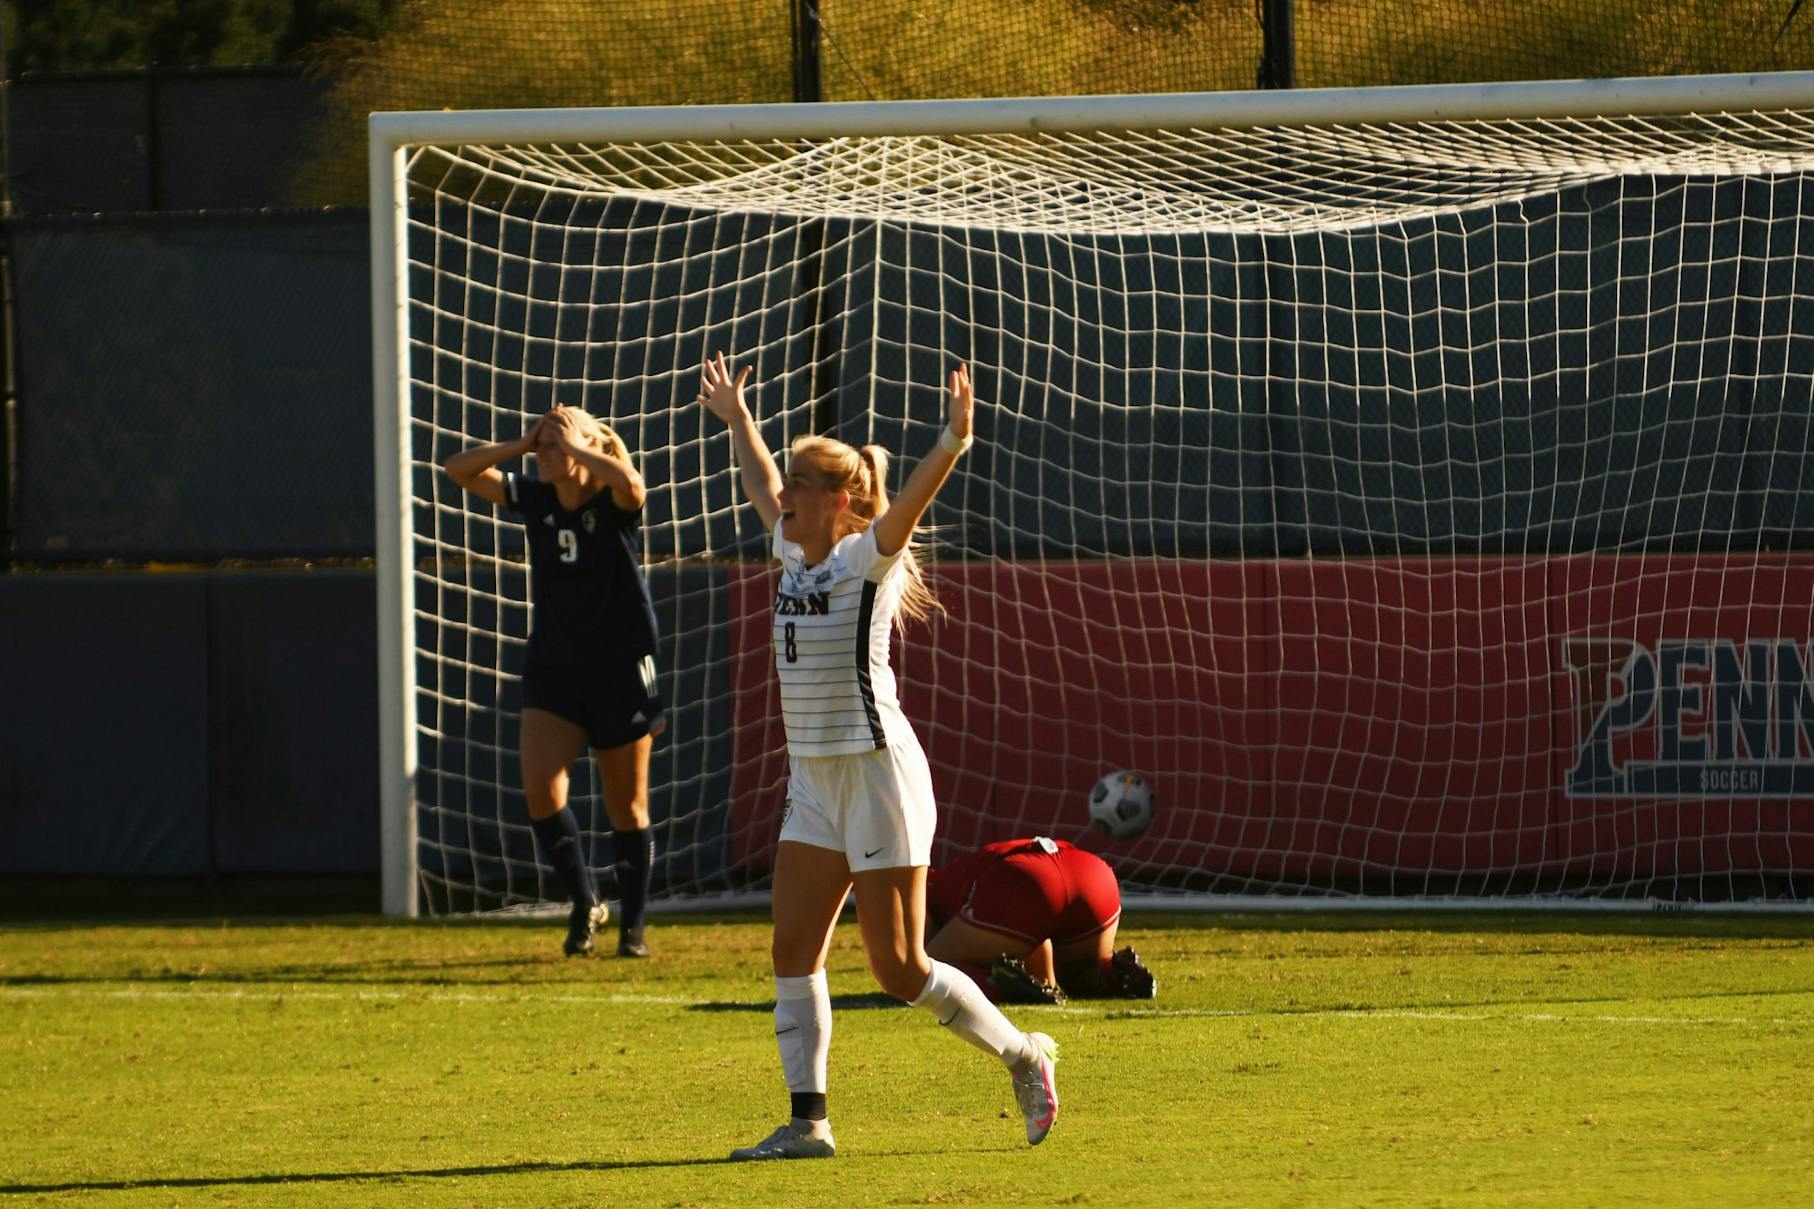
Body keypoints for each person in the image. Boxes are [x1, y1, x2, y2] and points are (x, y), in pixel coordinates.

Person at [696, 352, 1059, 1161]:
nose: (781, 492)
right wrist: (740, 420)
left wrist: (954, 441)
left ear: (842, 499)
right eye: (786, 481)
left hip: (877, 774)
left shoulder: (866, 560)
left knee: (899, 968)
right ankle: (808, 1122)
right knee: (793, 949)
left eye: (798, 483)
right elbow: (757, 480)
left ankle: (1025, 1055)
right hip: (814, 780)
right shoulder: (792, 548)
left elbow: (911, 503)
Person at [443, 404, 665, 959]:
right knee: (540, 784)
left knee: (627, 806)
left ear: (590, 447)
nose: (548, 453)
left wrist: (579, 447)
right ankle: (584, 899)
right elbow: (458, 469)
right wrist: (523, 445)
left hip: (620, 666)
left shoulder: (612, 499)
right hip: (556, 667)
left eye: (558, 443)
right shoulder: (538, 494)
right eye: (545, 444)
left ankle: (633, 928)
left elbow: (632, 483)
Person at [926, 836, 1157, 1005]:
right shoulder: (950, 876)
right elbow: (1037, 940)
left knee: (924, 973)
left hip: (1021, 882)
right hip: (1092, 873)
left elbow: (911, 955)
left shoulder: (922, 890)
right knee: (1079, 979)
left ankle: (1005, 988)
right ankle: (1112, 973)